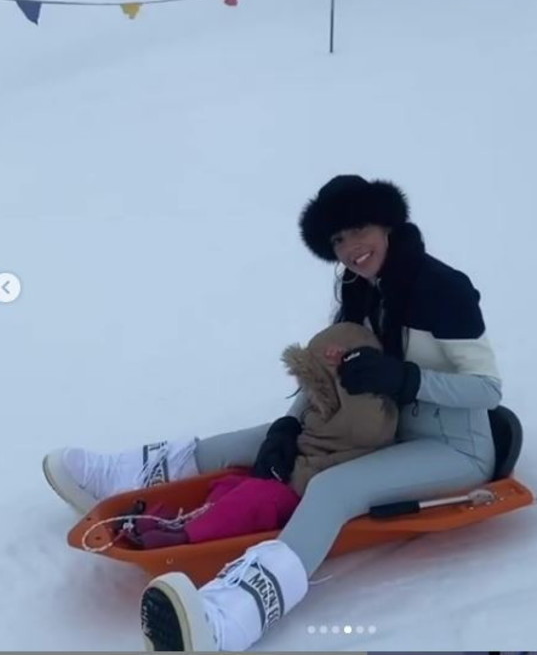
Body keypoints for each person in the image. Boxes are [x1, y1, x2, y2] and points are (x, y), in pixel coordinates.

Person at [43, 175, 503, 651]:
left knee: (332, 490)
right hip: (381, 429)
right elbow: (325, 372)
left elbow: (488, 391)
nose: (351, 249)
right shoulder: (360, 288)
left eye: (359, 230)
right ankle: (120, 476)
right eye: (338, 240)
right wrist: (289, 424)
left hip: (451, 449)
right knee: (260, 439)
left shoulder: (443, 289)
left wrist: (405, 380)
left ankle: (230, 617)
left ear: (387, 224)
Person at [116, 321, 398, 549]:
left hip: (304, 495)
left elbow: (356, 438)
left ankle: (185, 537)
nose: (310, 391)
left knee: (256, 499)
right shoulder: (322, 406)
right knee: (230, 486)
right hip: (289, 476)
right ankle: (181, 522)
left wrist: (343, 369)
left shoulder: (369, 416)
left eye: (318, 381)